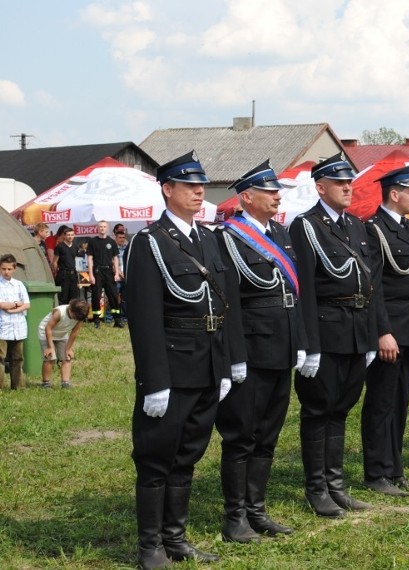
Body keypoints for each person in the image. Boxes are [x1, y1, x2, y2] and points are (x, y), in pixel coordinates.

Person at [125, 150, 244, 568]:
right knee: (157, 458)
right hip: (173, 369)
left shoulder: (208, 238)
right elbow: (144, 317)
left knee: (188, 455)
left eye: (201, 185)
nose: (199, 191)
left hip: (208, 365)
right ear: (167, 189)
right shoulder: (150, 243)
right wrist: (154, 380)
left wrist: (227, 364)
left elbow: (223, 306)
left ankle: (175, 538)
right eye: (189, 185)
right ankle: (150, 546)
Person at [215, 160, 308, 542]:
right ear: (247, 197)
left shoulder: (282, 235)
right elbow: (228, 303)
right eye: (269, 192)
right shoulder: (228, 238)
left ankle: (257, 509)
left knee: (268, 434)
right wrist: (234, 355)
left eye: (277, 191)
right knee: (241, 435)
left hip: (282, 349)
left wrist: (300, 341)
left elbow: (294, 295)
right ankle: (234, 515)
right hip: (252, 350)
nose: (277, 197)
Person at [288, 153, 377, 518]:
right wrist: (308, 345)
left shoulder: (356, 226)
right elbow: (304, 289)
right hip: (325, 329)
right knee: (318, 409)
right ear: (320, 187)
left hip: (355, 329)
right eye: (340, 183)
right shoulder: (306, 226)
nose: (347, 187)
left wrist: (370, 336)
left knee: (341, 408)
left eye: (349, 182)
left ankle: (335, 484)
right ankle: (317, 488)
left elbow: (369, 284)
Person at [362, 164, 409, 496]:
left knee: (401, 401)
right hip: (390, 330)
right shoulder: (373, 230)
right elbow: (373, 287)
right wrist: (382, 331)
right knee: (381, 402)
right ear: (395, 194)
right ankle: (376, 472)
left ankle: (394, 467)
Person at [38, 299, 89, 389]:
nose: (76, 319)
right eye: (75, 317)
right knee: (50, 357)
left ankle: (65, 382)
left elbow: (75, 332)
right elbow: (48, 328)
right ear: (70, 310)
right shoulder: (59, 312)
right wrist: (50, 347)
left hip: (62, 334)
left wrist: (68, 349)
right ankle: (46, 383)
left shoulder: (80, 316)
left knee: (67, 357)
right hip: (46, 332)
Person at [0, 254, 30, 390]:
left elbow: (27, 304)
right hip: (3, 326)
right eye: (3, 269)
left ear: (14, 269)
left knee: (17, 358)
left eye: (9, 269)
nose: (6, 272)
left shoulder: (19, 285)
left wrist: (11, 307)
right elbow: (2, 305)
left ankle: (17, 386)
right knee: (1, 358)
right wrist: (16, 304)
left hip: (18, 327)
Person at [87, 220, 123, 328]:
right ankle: (96, 320)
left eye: (104, 227)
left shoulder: (112, 242)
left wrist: (116, 272)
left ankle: (117, 320)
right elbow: (89, 259)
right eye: (100, 227)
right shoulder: (93, 242)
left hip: (109, 271)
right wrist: (91, 274)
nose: (102, 228)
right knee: (96, 296)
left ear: (107, 228)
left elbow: (115, 258)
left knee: (113, 296)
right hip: (97, 271)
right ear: (97, 228)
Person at [53, 226, 79, 304]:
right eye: (68, 235)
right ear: (64, 236)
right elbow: (54, 262)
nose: (70, 237)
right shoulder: (59, 247)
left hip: (73, 274)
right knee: (63, 297)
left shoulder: (75, 246)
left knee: (73, 297)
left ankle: (71, 315)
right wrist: (56, 272)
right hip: (63, 274)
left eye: (72, 235)